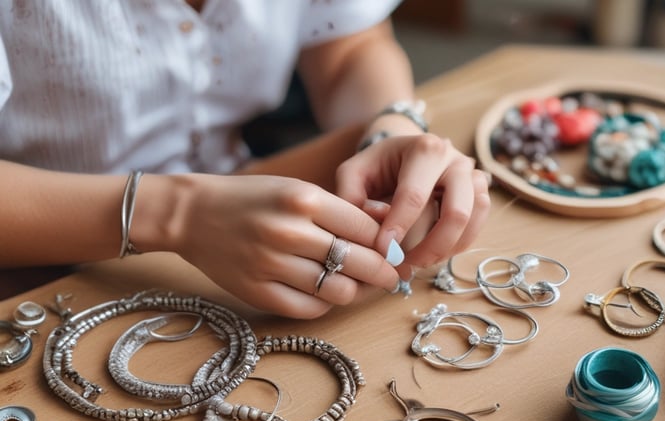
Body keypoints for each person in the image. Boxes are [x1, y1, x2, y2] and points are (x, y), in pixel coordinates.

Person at [0, 2, 490, 318]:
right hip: (38, 248)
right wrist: (178, 213)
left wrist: (390, 128)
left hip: (245, 204)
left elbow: (350, 48)